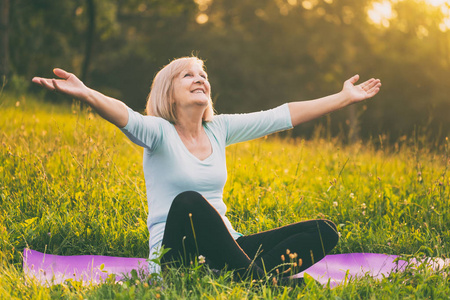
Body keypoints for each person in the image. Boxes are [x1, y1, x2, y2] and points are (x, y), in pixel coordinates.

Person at [32, 56, 381, 284]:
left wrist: (343, 98)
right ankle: (263, 282)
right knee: (188, 202)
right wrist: (87, 94)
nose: (200, 79)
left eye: (203, 75)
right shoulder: (158, 132)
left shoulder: (220, 128)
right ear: (170, 93)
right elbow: (123, 114)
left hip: (229, 249)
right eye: (188, 76)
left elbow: (282, 115)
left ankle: (246, 280)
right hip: (177, 259)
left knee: (324, 231)